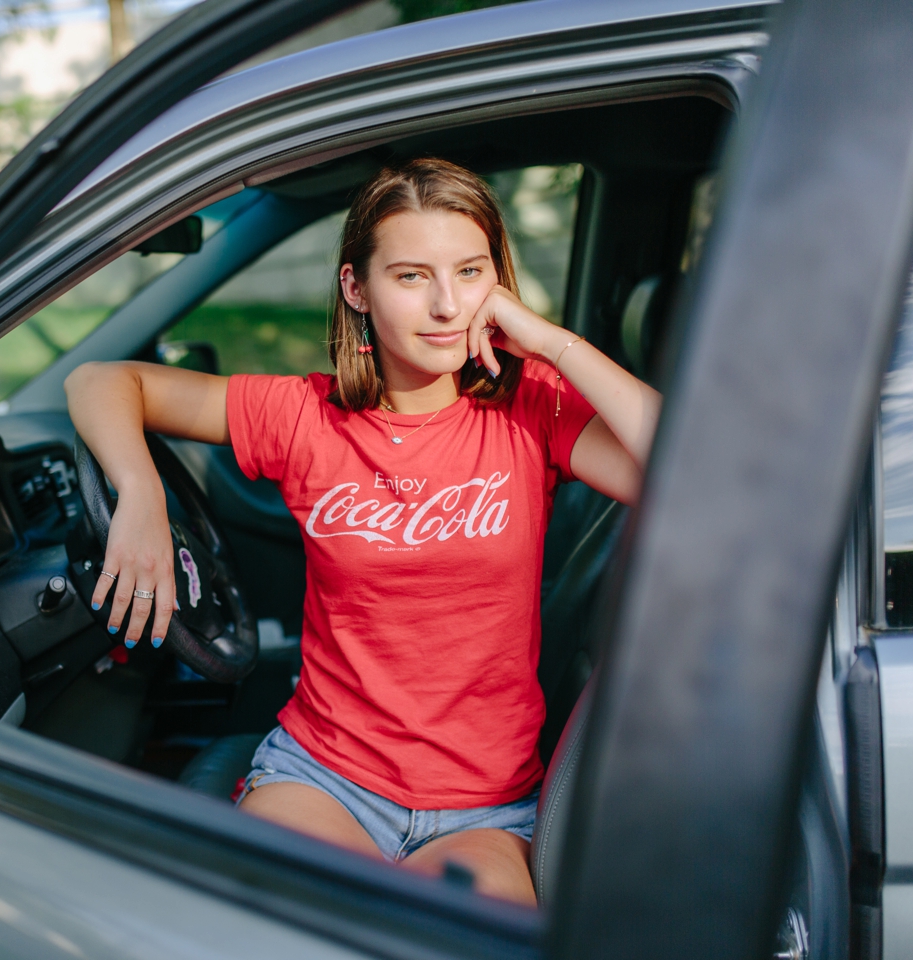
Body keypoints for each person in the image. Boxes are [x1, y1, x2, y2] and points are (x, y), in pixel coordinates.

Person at [65, 158, 661, 905]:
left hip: (481, 809)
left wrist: (548, 341)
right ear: (357, 287)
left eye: (470, 272)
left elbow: (695, 468)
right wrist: (142, 497)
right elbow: (98, 381)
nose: (447, 305)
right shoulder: (304, 416)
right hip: (325, 779)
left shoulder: (531, 410)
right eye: (412, 276)